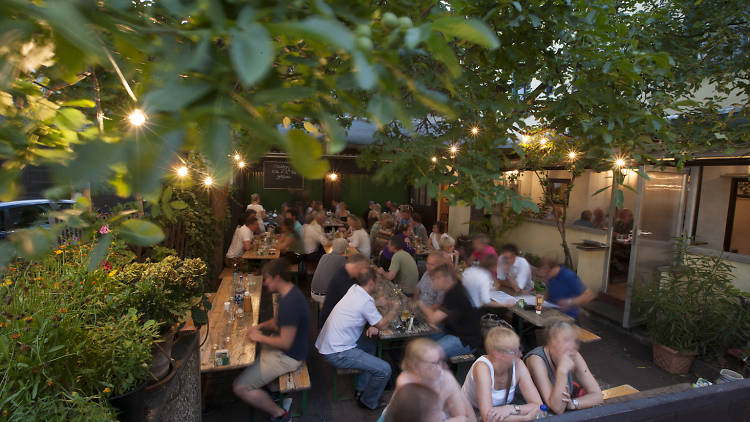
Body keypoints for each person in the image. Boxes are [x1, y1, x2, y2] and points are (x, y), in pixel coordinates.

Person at [233, 259, 310, 422]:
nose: (266, 283)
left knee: (240, 387)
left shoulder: (290, 302)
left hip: (290, 357)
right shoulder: (287, 293)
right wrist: (259, 327)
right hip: (288, 349)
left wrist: (259, 337)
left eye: (268, 278)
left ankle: (280, 415)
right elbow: (277, 322)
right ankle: (273, 391)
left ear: (278, 278)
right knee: (250, 348)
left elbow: (285, 343)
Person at [315, 269, 399, 410]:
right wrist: (394, 309)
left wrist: (378, 302)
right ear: (371, 282)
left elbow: (363, 305)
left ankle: (361, 389)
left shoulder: (355, 289)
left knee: (371, 345)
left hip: (330, 342)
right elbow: (383, 324)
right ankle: (368, 401)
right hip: (337, 352)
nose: (377, 285)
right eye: (377, 282)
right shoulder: (364, 301)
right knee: (385, 369)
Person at [462, 327, 543, 421]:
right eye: (514, 351)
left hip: (501, 414)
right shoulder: (482, 368)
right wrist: (525, 417)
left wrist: (511, 409)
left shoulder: (518, 364)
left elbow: (539, 406)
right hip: (470, 414)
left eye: (519, 348)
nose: (520, 355)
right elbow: (488, 418)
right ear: (497, 354)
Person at [386, 338, 476, 422]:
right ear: (415, 365)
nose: (440, 368)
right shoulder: (406, 383)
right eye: (434, 363)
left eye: (440, 361)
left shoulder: (445, 377)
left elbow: (466, 416)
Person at [524, 320, 603, 415]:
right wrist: (562, 371)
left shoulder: (574, 355)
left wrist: (574, 404)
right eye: (566, 340)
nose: (572, 346)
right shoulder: (536, 360)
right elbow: (556, 408)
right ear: (552, 341)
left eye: (575, 341)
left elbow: (598, 395)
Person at [418, 264, 482, 358]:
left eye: (436, 278)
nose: (434, 282)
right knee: (420, 341)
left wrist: (419, 303)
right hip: (453, 331)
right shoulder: (455, 287)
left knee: (428, 353)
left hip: (466, 340)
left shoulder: (455, 294)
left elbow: (433, 319)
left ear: (446, 278)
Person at [319, 254, 373, 324]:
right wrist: (378, 302)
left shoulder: (347, 271)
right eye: (363, 270)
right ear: (357, 267)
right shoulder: (342, 280)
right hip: (331, 322)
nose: (363, 273)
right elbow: (359, 302)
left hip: (339, 316)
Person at [310, 238, 348, 307]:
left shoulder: (324, 256)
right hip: (325, 296)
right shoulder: (342, 259)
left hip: (313, 292)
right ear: (344, 249)